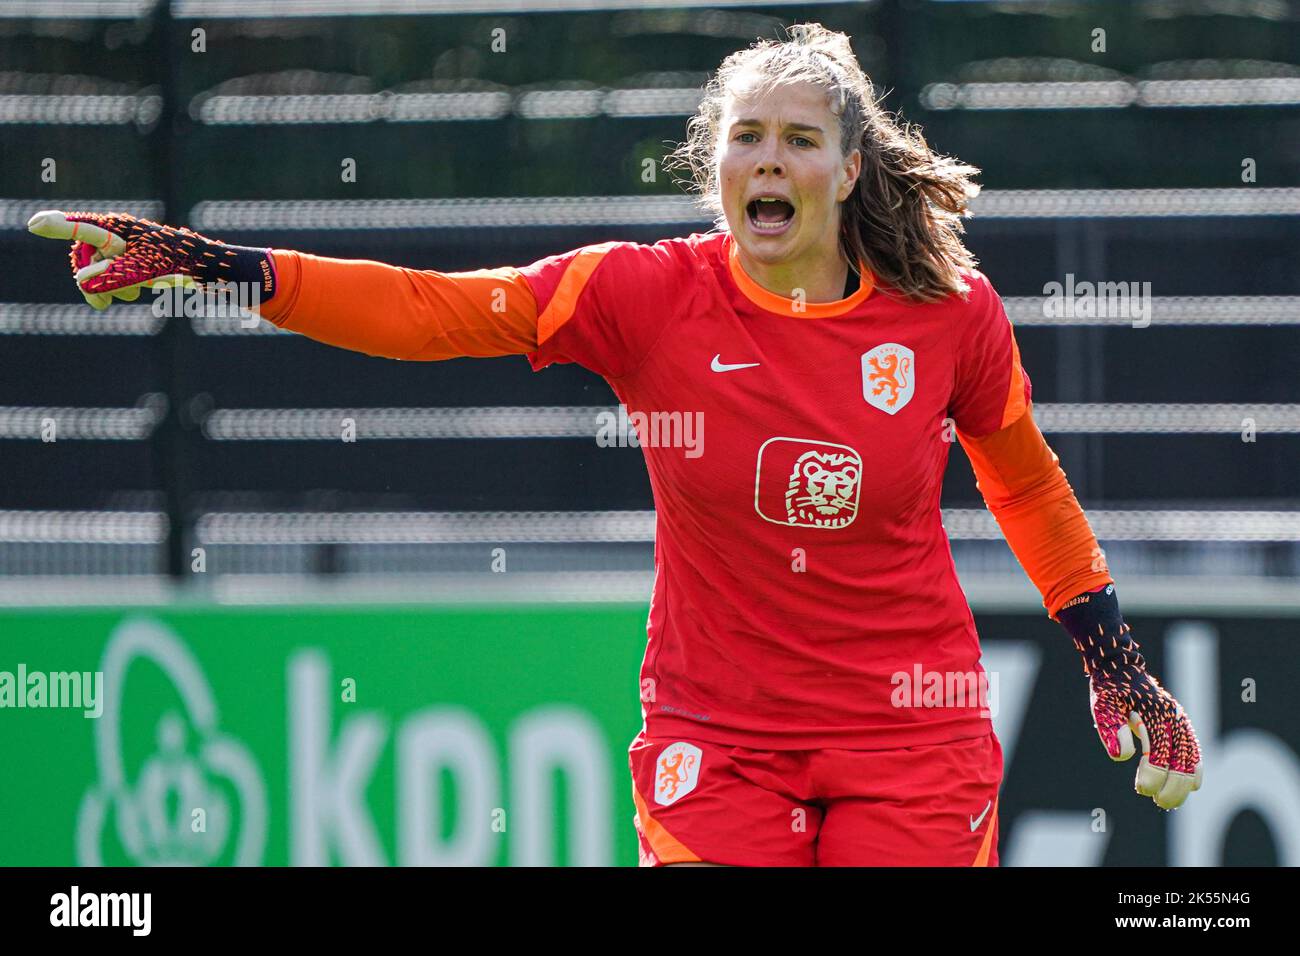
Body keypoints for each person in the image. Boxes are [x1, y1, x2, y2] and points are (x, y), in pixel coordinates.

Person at [30, 22, 1201, 867]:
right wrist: (227, 266)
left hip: (909, 733)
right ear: (716, 168)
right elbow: (433, 309)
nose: (770, 161)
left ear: (848, 171)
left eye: (800, 140)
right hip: (719, 738)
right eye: (746, 139)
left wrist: (1111, 655)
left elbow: (1027, 484)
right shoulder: (640, 294)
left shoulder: (951, 313)